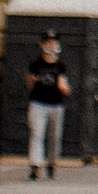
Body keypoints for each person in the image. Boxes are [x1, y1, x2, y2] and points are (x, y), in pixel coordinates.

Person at [25, 30, 71, 177]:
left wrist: (64, 88)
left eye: (54, 42)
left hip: (56, 104)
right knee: (37, 134)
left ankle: (52, 163)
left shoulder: (60, 66)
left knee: (54, 136)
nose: (51, 45)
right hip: (38, 103)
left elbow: (64, 85)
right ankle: (35, 165)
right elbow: (29, 83)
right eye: (48, 42)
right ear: (42, 44)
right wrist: (32, 80)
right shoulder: (35, 64)